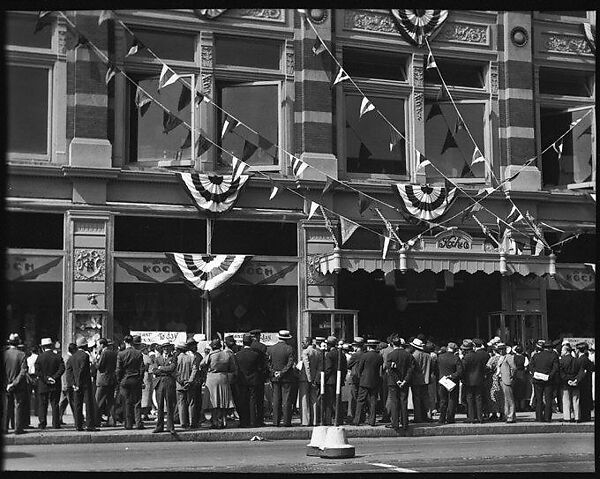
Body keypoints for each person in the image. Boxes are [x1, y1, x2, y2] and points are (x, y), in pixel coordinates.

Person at [200, 339, 236, 429]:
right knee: (224, 401)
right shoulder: (226, 354)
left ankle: (215, 421)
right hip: (223, 377)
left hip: (212, 378)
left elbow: (202, 364)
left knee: (213, 401)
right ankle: (223, 420)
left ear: (212, 346)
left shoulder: (211, 354)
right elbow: (233, 367)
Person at [34, 337, 65, 429]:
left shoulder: (40, 357)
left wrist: (46, 379)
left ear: (42, 347)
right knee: (55, 404)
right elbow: (62, 368)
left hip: (43, 384)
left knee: (42, 404)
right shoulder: (57, 356)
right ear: (51, 346)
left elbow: (37, 371)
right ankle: (56, 424)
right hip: (55, 384)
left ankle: (42, 423)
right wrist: (54, 377)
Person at [115, 335, 145, 430]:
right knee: (137, 402)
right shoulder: (138, 353)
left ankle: (128, 424)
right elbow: (142, 368)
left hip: (125, 379)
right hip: (135, 379)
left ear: (125, 342)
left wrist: (119, 380)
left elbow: (118, 370)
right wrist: (140, 379)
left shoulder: (121, 354)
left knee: (127, 402)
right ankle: (138, 422)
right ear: (132, 342)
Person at [385, 336, 415, 431]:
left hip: (393, 382)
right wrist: (405, 380)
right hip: (405, 381)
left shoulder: (390, 355)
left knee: (394, 402)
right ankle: (405, 423)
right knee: (403, 402)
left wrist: (397, 380)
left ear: (393, 344)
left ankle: (395, 423)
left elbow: (390, 370)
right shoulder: (408, 355)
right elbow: (411, 369)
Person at [267, 330, 295, 427]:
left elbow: (268, 363)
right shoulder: (289, 349)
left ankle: (276, 422)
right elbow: (290, 363)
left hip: (275, 377)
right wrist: (282, 372)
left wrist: (274, 372)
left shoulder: (271, 349)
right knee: (286, 400)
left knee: (276, 400)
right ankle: (287, 422)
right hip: (286, 378)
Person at [69, 337, 98, 431]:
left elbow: (69, 371)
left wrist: (73, 383)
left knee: (78, 404)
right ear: (84, 345)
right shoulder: (85, 356)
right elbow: (82, 370)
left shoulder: (72, 357)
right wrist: (78, 382)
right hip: (85, 383)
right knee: (88, 404)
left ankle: (78, 424)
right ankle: (89, 425)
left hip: (76, 385)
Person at [353, 339, 383, 427]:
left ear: (368, 346)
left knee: (360, 400)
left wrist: (360, 377)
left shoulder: (364, 356)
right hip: (375, 381)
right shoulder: (379, 357)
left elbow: (359, 369)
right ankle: (372, 420)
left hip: (364, 381)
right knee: (373, 401)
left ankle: (357, 420)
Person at [3, 333, 28, 434]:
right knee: (18, 406)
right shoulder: (22, 354)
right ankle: (18, 428)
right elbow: (23, 372)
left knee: (6, 406)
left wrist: (7, 384)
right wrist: (14, 383)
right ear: (18, 343)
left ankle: (4, 428)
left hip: (5, 385)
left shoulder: (4, 354)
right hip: (18, 385)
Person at [235, 334, 262, 427]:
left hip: (242, 380)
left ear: (243, 343)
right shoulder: (255, 355)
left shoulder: (237, 355)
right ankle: (253, 421)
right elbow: (259, 368)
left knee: (243, 401)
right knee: (252, 400)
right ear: (251, 343)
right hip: (253, 380)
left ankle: (243, 421)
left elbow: (236, 368)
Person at [529, 339, 559, 422]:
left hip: (537, 379)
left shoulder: (536, 356)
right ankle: (547, 417)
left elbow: (531, 366)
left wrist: (535, 373)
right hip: (548, 380)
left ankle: (538, 417)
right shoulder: (553, 356)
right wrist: (550, 376)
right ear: (550, 348)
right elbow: (555, 368)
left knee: (538, 399)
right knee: (548, 399)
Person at [152, 343, 177, 433]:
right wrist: (164, 370)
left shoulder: (173, 357)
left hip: (169, 382)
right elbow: (154, 370)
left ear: (170, 349)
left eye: (168, 348)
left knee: (170, 405)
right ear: (162, 349)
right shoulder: (157, 358)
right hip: (159, 383)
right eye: (164, 348)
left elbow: (172, 368)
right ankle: (159, 426)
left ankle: (170, 427)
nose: (166, 349)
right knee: (160, 406)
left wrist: (161, 368)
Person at [436, 342, 463, 424]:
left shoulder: (440, 357)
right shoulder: (456, 358)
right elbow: (459, 371)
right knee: (452, 400)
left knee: (443, 400)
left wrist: (440, 376)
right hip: (453, 381)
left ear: (447, 348)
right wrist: (451, 376)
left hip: (442, 380)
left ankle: (442, 418)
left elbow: (436, 369)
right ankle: (450, 418)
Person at [324, 335, 348, 426]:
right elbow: (345, 368)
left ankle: (328, 420)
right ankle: (339, 418)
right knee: (338, 400)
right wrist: (342, 378)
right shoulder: (341, 354)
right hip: (338, 380)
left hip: (330, 381)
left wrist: (323, 379)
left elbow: (328, 369)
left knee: (330, 401)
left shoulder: (329, 354)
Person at [461, 339, 487, 423]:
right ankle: (480, 418)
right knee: (478, 399)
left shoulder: (466, 358)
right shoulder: (479, 356)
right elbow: (483, 368)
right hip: (479, 379)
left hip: (468, 380)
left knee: (470, 399)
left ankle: (471, 418)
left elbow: (463, 369)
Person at [95, 338, 118, 427]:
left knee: (98, 401)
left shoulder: (104, 353)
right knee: (111, 401)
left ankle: (96, 421)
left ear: (102, 345)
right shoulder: (113, 353)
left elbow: (100, 366)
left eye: (98, 345)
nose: (97, 347)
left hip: (103, 380)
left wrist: (94, 360)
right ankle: (112, 420)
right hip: (111, 379)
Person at [559, 343, 583, 423]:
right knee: (576, 400)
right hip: (576, 383)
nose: (561, 352)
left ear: (566, 351)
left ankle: (567, 417)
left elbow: (561, 373)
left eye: (562, 350)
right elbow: (581, 372)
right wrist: (576, 380)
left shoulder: (561, 361)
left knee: (566, 401)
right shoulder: (577, 360)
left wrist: (567, 380)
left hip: (565, 384)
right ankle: (577, 417)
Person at [410, 338, 432, 423]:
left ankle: (418, 417)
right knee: (426, 399)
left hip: (416, 380)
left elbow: (412, 368)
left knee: (416, 399)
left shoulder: (414, 356)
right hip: (426, 379)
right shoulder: (428, 356)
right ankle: (427, 416)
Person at [298, 336, 320, 426]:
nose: (302, 344)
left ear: (308, 342)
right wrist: (315, 379)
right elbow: (319, 367)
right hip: (314, 378)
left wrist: (309, 378)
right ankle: (314, 420)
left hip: (305, 378)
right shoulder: (317, 352)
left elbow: (307, 366)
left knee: (304, 400)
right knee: (314, 399)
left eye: (304, 342)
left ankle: (305, 421)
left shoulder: (305, 352)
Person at [249, 329, 268, 427]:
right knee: (259, 400)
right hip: (259, 376)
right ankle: (259, 419)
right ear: (258, 336)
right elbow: (264, 363)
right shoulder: (262, 347)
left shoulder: (248, 346)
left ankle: (251, 419)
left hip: (247, 376)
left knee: (250, 399)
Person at [175, 339, 194, 430]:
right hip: (189, 383)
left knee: (181, 403)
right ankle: (191, 422)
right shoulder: (191, 358)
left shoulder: (176, 358)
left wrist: (180, 381)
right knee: (190, 403)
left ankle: (183, 422)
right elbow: (194, 370)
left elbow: (175, 372)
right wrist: (189, 381)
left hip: (179, 384)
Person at [185, 338, 203, 429]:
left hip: (197, 382)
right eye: (193, 345)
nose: (195, 347)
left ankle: (196, 420)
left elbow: (201, 369)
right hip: (187, 381)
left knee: (197, 402)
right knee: (188, 402)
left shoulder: (198, 356)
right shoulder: (186, 356)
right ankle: (189, 421)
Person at [497, 343, 517, 423]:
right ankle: (507, 415)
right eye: (499, 349)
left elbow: (514, 368)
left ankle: (511, 416)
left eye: (502, 349)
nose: (501, 351)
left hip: (507, 379)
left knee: (509, 399)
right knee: (505, 399)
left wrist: (511, 377)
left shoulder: (508, 357)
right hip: (501, 379)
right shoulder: (501, 357)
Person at [575, 342, 594, 422]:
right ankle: (586, 416)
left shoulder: (582, 359)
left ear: (578, 350)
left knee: (583, 400)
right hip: (587, 383)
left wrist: (576, 380)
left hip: (583, 383)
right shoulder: (586, 359)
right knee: (586, 400)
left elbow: (582, 371)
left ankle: (584, 417)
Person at [59, 343, 77, 425]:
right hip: (68, 384)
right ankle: (77, 418)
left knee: (63, 402)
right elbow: (67, 373)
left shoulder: (66, 357)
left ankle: (58, 418)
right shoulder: (69, 359)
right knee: (73, 402)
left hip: (65, 384)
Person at [486, 344, 505, 421]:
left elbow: (488, 367)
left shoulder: (492, 359)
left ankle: (494, 413)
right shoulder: (503, 358)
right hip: (502, 378)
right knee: (501, 396)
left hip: (493, 378)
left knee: (493, 395)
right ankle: (502, 413)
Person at [348, 337, 365, 423]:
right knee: (361, 398)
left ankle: (354, 416)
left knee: (354, 398)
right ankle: (362, 416)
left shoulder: (355, 355)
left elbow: (348, 365)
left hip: (354, 378)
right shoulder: (364, 354)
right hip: (362, 379)